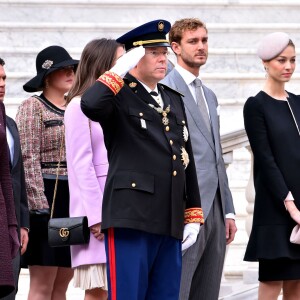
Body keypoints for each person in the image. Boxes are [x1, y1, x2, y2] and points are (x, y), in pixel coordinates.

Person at [81, 19, 204, 300]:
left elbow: (186, 158)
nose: (163, 59)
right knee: (128, 295)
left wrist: (193, 214)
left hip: (169, 216)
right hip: (131, 216)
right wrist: (118, 70)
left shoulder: (172, 98)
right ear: (134, 58)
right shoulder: (118, 94)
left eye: (164, 53)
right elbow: (90, 103)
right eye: (153, 53)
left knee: (165, 295)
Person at [162, 18, 237, 300]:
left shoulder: (209, 95)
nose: (201, 47)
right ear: (175, 47)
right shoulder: (165, 90)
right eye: (193, 41)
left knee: (208, 292)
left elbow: (217, 156)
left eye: (204, 40)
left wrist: (228, 209)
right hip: (186, 207)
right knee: (179, 290)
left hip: (216, 209)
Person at [15, 45, 78, 300]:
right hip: (46, 198)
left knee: (63, 282)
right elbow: (27, 157)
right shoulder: (33, 106)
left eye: (71, 67)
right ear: (47, 76)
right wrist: (37, 206)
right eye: (61, 68)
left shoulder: (76, 106)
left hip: (72, 198)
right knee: (42, 283)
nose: (69, 72)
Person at [65, 38, 124, 300]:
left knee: (121, 285)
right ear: (103, 65)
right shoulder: (78, 106)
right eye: (118, 61)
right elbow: (81, 164)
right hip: (97, 206)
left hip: (123, 203)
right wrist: (96, 216)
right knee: (98, 289)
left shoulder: (118, 102)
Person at [244, 32, 300, 300]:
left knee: (296, 286)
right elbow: (265, 159)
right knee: (271, 284)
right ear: (266, 62)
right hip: (276, 209)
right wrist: (290, 205)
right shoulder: (256, 105)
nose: (288, 66)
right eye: (281, 60)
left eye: (292, 60)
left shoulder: (298, 103)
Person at [0, 58, 30, 300]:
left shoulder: (9, 124)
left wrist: (22, 224)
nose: (2, 84)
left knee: (10, 291)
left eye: (4, 78)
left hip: (9, 223)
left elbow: (16, 176)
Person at [0, 98, 20, 298]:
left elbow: (8, 174)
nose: (1, 84)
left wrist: (14, 225)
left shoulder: (2, 113)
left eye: (4, 78)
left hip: (4, 215)